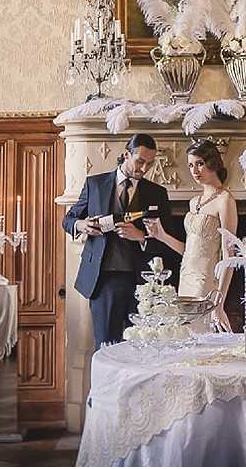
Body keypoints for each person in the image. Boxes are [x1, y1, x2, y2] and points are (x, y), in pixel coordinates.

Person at [62, 132, 172, 349]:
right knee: (106, 346)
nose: (144, 169)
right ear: (125, 155)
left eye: (149, 164)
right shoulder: (95, 184)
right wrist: (81, 225)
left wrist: (141, 237)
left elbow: (168, 240)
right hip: (104, 279)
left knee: (142, 348)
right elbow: (68, 219)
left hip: (143, 281)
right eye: (140, 161)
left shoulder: (158, 193)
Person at [144, 140, 237, 332]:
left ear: (213, 163)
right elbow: (189, 250)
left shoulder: (225, 200)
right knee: (185, 338)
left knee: (201, 338)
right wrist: (161, 235)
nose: (195, 170)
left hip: (206, 283)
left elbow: (230, 257)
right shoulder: (193, 202)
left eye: (200, 163)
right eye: (191, 165)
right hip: (185, 278)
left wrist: (218, 303)